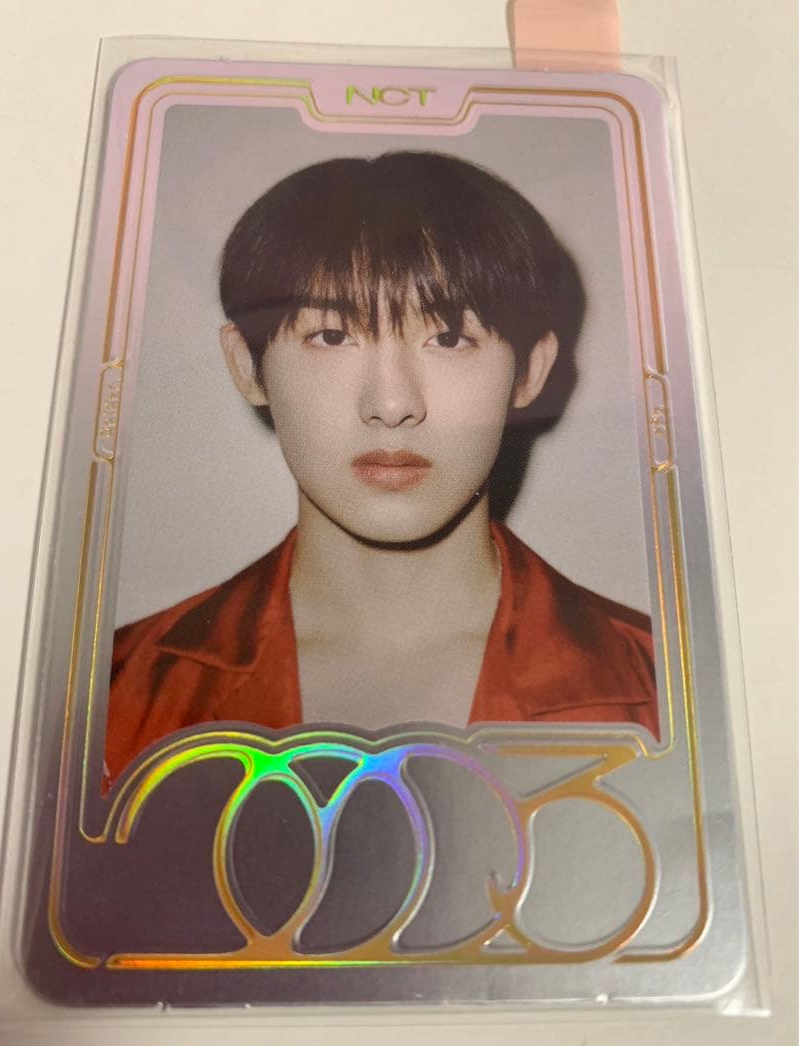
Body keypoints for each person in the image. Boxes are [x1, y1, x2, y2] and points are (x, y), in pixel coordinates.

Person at [105, 151, 659, 786]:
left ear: (530, 371)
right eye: (332, 336)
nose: (392, 405)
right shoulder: (115, 692)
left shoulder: (665, 689)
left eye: (448, 338)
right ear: (247, 366)